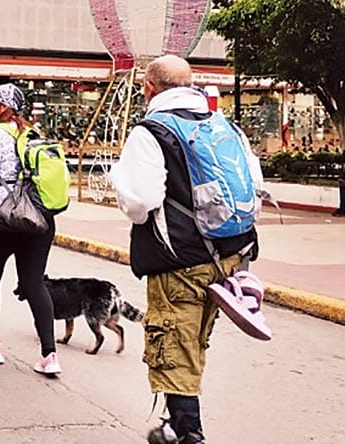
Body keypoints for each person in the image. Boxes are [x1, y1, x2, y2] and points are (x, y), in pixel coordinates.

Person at [108, 55, 262, 444]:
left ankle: (187, 433)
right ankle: (179, 425)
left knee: (174, 346)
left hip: (179, 262)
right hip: (229, 258)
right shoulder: (226, 127)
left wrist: (120, 184)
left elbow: (140, 203)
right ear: (190, 83)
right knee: (194, 341)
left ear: (148, 87)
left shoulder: (151, 132)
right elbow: (255, 187)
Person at [0, 83, 60, 376]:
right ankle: (49, 354)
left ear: (4, 107)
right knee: (34, 284)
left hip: (2, 217)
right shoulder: (31, 132)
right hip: (38, 219)